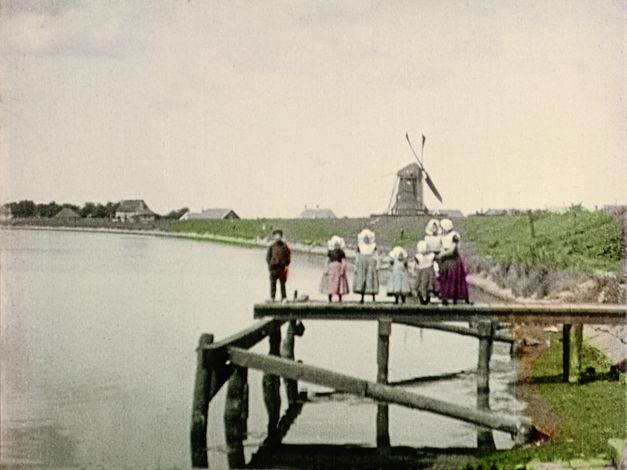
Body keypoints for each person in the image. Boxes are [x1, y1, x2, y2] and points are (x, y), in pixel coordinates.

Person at [437, 219, 470, 304]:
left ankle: (454, 296)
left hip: (452, 259)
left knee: (452, 277)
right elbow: (442, 247)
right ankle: (445, 296)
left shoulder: (454, 235)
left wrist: (442, 254)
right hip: (445, 259)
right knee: (445, 277)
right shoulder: (444, 236)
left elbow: (452, 249)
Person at [353, 229, 379, 303]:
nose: (366, 240)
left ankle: (373, 297)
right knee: (362, 279)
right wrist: (356, 266)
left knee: (371, 279)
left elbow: (376, 256)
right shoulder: (360, 246)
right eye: (365, 238)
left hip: (371, 264)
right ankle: (362, 297)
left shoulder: (373, 246)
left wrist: (377, 265)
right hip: (362, 264)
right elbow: (357, 256)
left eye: (368, 238)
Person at [320, 235, 349, 302]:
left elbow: (343, 262)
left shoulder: (341, 252)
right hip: (331, 269)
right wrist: (326, 269)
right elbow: (327, 261)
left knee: (340, 283)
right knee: (330, 282)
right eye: (335, 244)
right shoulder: (330, 252)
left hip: (338, 268)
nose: (336, 246)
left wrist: (342, 270)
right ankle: (330, 298)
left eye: (337, 244)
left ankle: (340, 298)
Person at [266, 229, 291, 302]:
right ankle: (272, 298)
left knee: (282, 284)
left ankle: (284, 298)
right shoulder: (271, 247)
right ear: (274, 237)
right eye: (276, 236)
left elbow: (288, 256)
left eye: (279, 236)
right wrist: (270, 264)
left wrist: (285, 263)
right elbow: (268, 257)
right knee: (273, 284)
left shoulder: (284, 246)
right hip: (273, 268)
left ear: (281, 237)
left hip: (282, 268)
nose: (277, 238)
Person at [414, 240, 437, 305]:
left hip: (423, 272)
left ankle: (424, 299)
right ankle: (425, 299)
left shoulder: (419, 256)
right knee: (426, 285)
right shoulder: (430, 256)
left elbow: (415, 264)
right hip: (427, 272)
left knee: (423, 285)